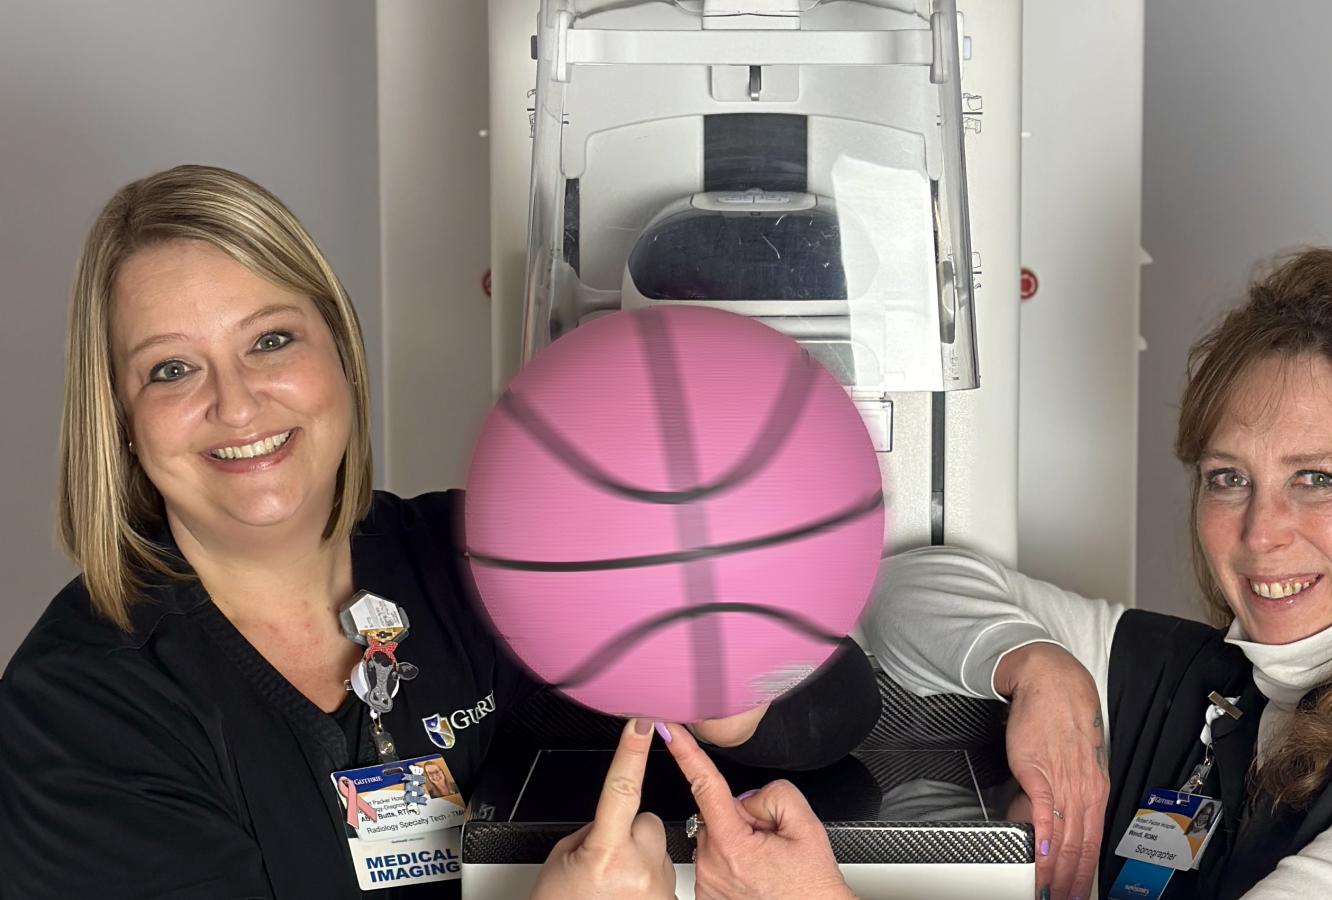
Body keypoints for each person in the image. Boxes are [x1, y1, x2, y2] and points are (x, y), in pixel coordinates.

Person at [0, 164, 879, 899]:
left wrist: (714, 671)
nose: (236, 404)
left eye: (270, 341)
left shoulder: (466, 551)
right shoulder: (78, 708)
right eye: (171, 368)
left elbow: (835, 706)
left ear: (339, 352)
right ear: (119, 418)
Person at [857, 249, 1332, 899]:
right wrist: (1034, 665)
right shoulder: (1218, 684)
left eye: (1317, 478)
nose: (1259, 530)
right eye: (1228, 478)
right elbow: (903, 589)